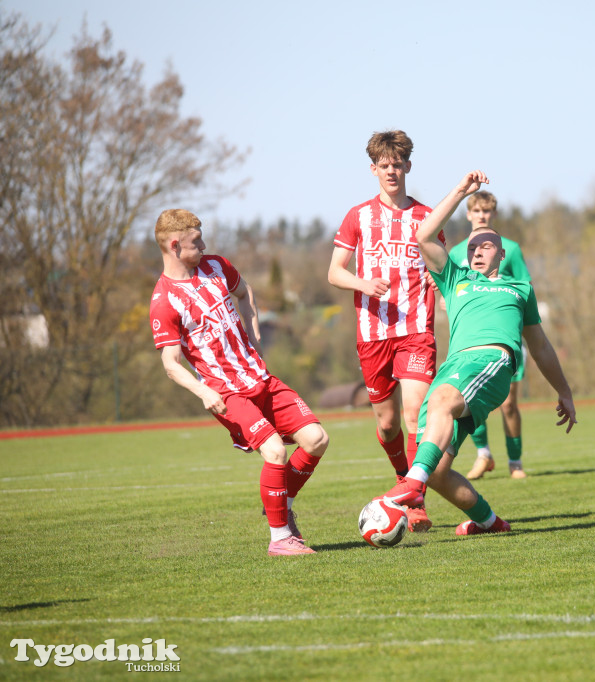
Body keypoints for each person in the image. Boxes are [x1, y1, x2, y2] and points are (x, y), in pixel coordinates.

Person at [379, 170, 577, 536]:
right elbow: (423, 235)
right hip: (455, 367)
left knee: (441, 402)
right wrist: (459, 192)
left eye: (485, 246)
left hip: (492, 361)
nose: (477, 251)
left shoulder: (519, 288)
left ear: (502, 253)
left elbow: (541, 346)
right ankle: (489, 522)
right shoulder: (456, 279)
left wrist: (563, 390)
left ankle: (411, 486)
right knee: (438, 470)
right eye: (472, 248)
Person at [149, 209, 330, 557]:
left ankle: (281, 502)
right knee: (275, 451)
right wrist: (203, 391)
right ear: (174, 245)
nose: (204, 246)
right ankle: (280, 538)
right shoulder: (163, 301)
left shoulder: (216, 266)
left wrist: (255, 335)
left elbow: (245, 292)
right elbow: (170, 364)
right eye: (196, 241)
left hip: (260, 376)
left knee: (317, 439)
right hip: (227, 393)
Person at [328, 130, 440, 533]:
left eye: (397, 164)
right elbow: (334, 272)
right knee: (388, 423)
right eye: (384, 165)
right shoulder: (357, 216)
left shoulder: (428, 217)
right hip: (373, 331)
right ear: (373, 169)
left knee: (414, 414)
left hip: (415, 329)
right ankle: (401, 476)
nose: (391, 171)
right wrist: (363, 284)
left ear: (408, 166)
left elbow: (441, 265)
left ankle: (415, 499)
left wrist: (437, 277)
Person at [448, 191, 531, 480]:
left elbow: (524, 290)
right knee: (469, 401)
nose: (481, 215)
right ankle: (484, 454)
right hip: (470, 341)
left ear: (493, 214)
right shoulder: (457, 253)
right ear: (468, 214)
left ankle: (515, 462)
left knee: (509, 403)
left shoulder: (510, 249)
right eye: (477, 211)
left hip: (505, 342)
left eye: (487, 211)